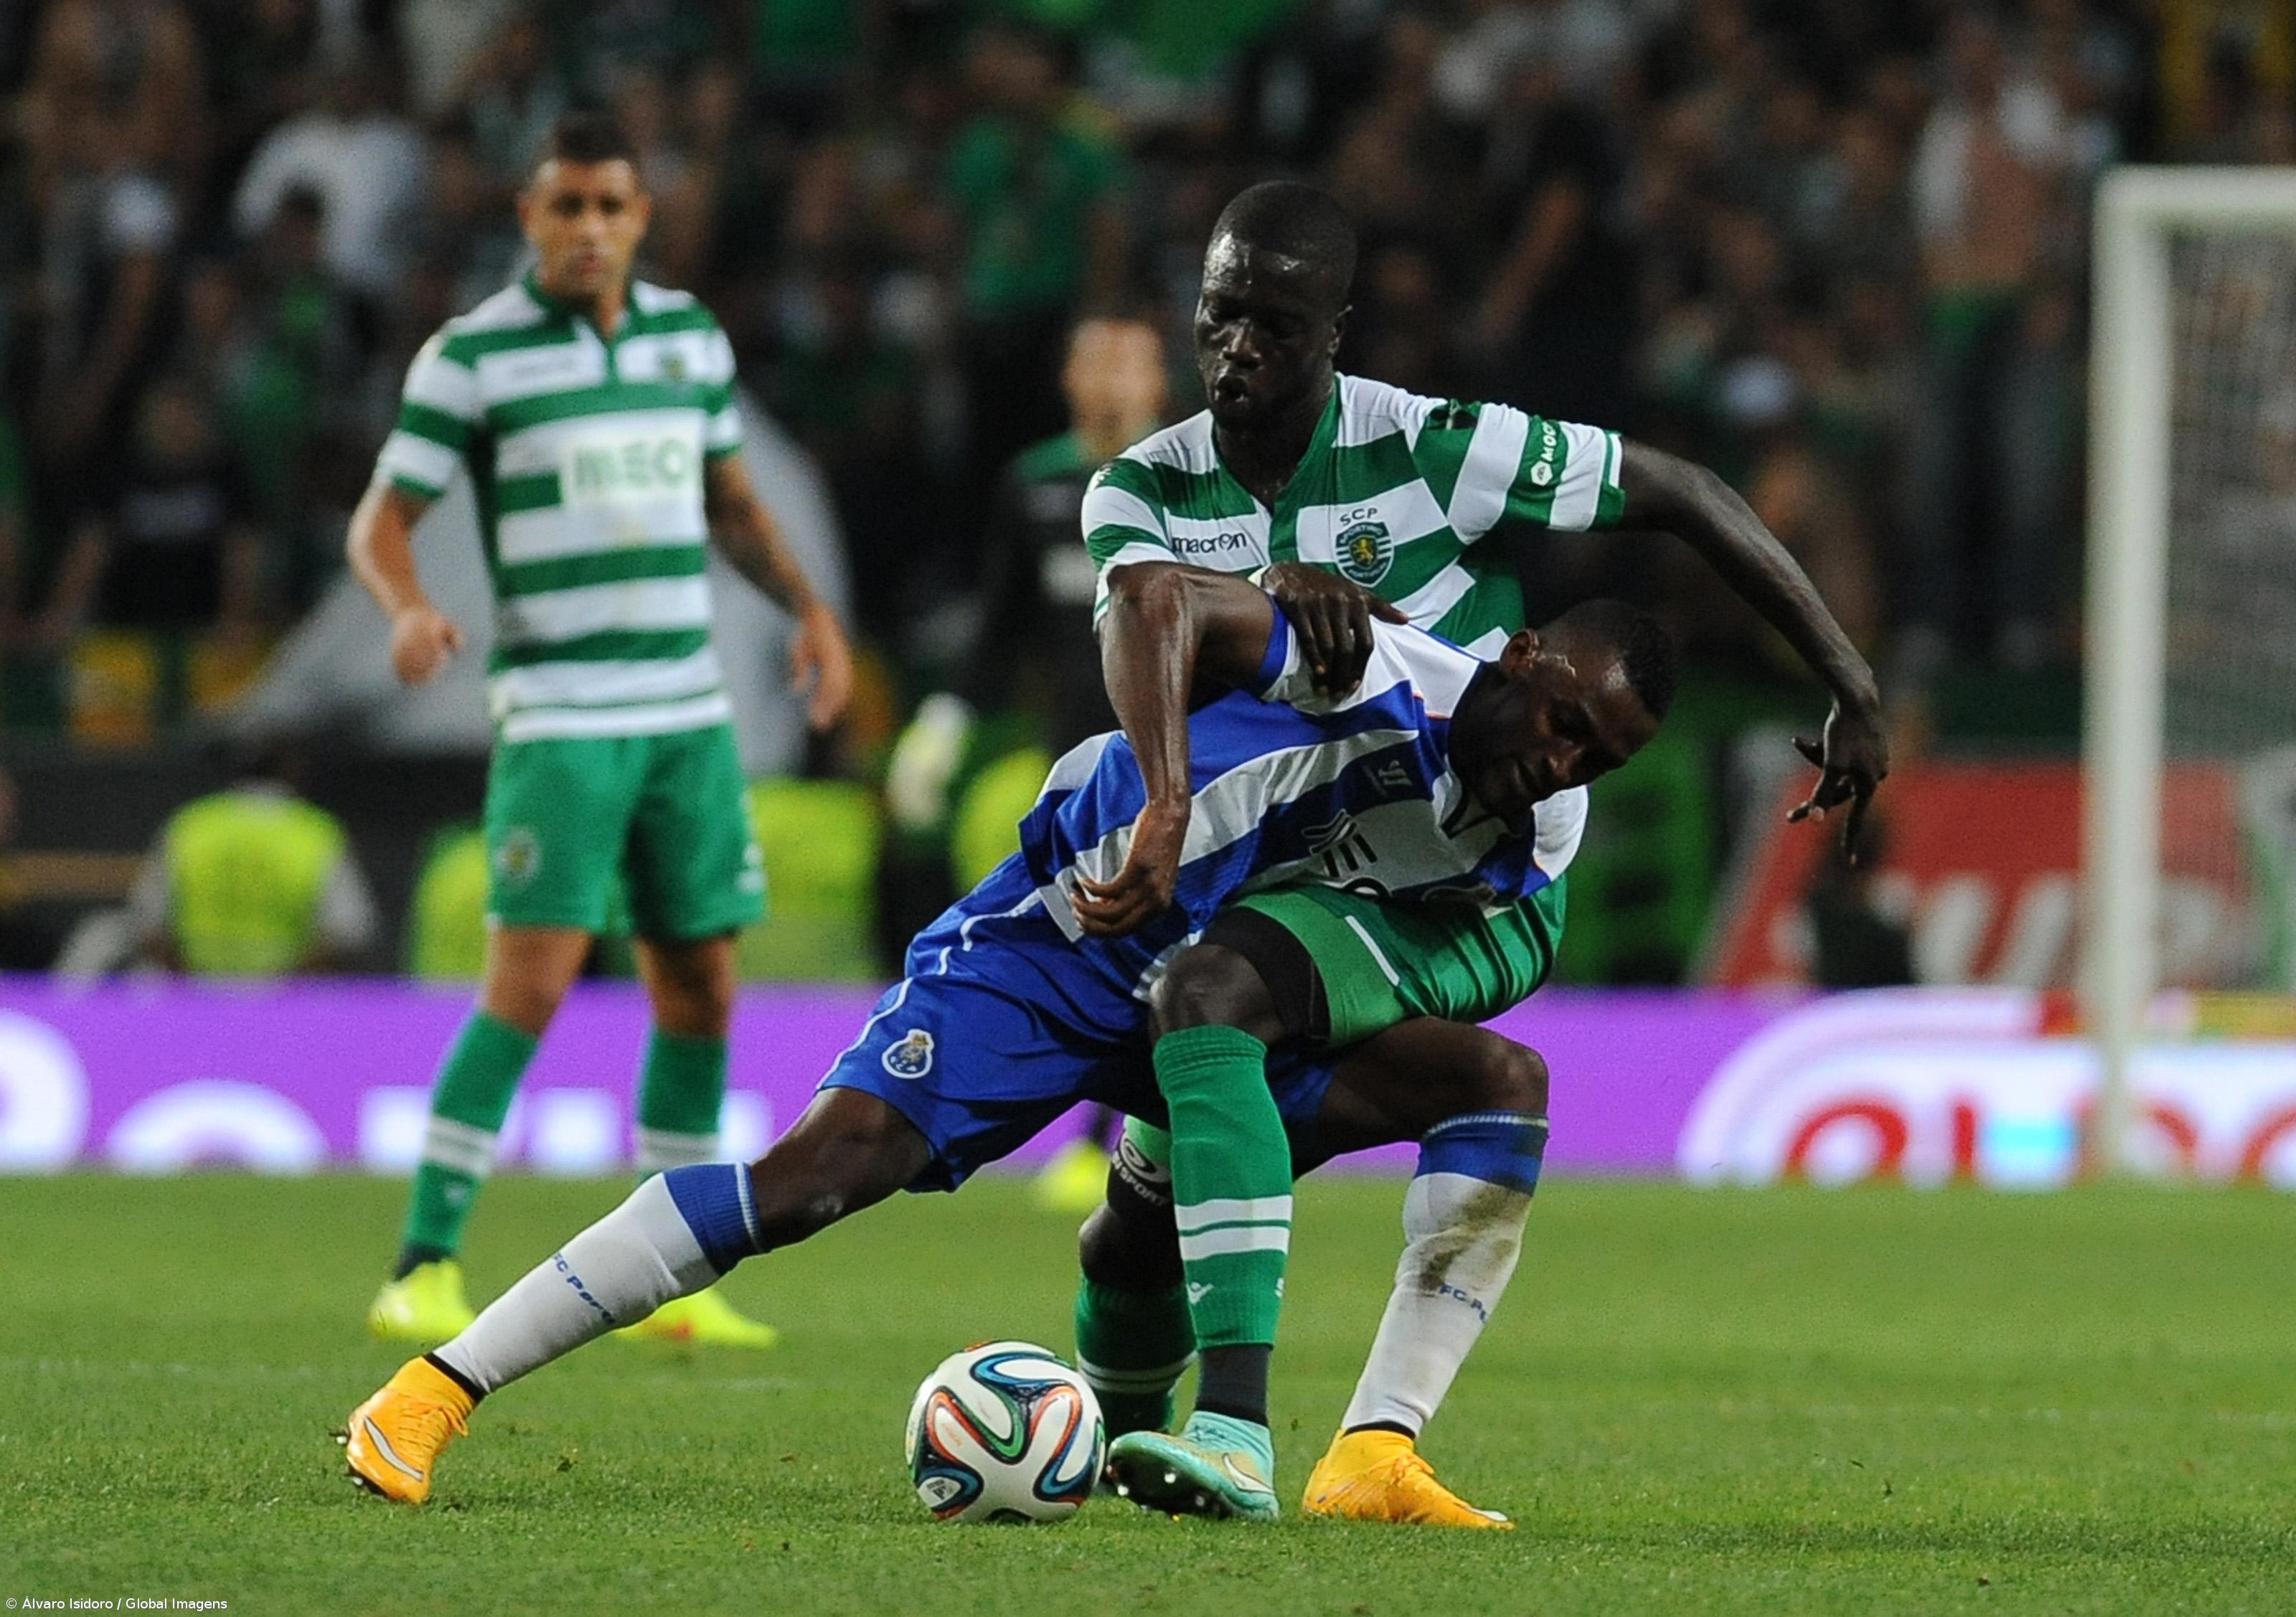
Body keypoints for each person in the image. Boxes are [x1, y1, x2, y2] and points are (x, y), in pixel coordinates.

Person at [339, 571, 1671, 1509]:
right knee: (815, 1177)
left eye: (1597, 757)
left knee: (1495, 1082)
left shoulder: (1536, 827)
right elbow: (1153, 600)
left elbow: (1505, 943)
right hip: (1060, 937)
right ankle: (435, 1388)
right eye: (1565, 722)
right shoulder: (1363, 664)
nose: (1564, 763)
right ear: (1518, 657)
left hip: (1224, 985)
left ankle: (1363, 1449)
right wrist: (1181, 767)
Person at [1068, 180, 1886, 1525]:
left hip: (1468, 879)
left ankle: (1262, 1432)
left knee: (1211, 1008)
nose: (1242, 345)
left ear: (1335, 330)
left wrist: (1850, 680)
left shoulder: (1434, 447)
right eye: (1223, 314)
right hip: (1281, 854)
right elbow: (1145, 635)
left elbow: (1683, 491)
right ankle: (1176, 1445)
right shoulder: (1148, 483)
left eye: (1279, 321)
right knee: (1155, 1197)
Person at [347, 112, 853, 1350]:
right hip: (561, 714)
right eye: (566, 205)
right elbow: (382, 518)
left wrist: (808, 610)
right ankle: (421, 1263)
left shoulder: (688, 339)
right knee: (530, 982)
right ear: (529, 215)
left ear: (641, 216)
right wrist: (406, 607)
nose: (589, 228)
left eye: (610, 206)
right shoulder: (474, 356)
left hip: (687, 712)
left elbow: (730, 506)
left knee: (701, 984)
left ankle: (670, 1277)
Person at [881, 310, 1170, 1212]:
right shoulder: (1036, 485)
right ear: (1069, 379)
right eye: (1097, 363)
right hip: (1076, 772)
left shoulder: (1198, 480)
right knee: (1093, 950)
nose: (1112, 384)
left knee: (1152, 949)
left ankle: (1103, 1141)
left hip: (1181, 762)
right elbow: (999, 627)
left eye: (1129, 364)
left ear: (1159, 382)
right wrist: (942, 724)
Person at [126, 745, 377, 976]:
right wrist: (281, 986)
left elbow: (147, 924)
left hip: (197, 996)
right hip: (288, 1002)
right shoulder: (316, 832)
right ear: (293, 771)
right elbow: (349, 930)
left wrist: (193, 983)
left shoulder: (192, 824)